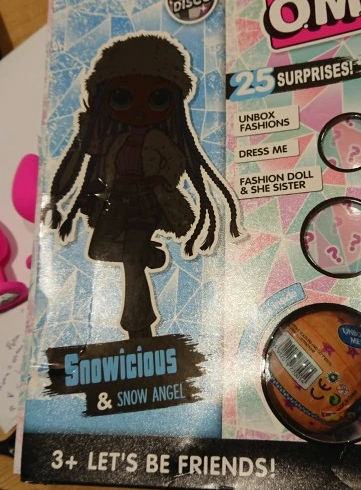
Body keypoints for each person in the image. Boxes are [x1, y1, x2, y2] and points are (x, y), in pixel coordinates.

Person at [45, 33, 241, 338]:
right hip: (117, 201)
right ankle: (150, 254)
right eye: (121, 98)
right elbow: (93, 153)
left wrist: (161, 179)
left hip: (148, 201)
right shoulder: (115, 140)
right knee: (99, 250)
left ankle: (138, 325)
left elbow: (176, 161)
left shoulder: (159, 139)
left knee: (131, 262)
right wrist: (86, 134)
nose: (139, 110)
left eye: (157, 98)